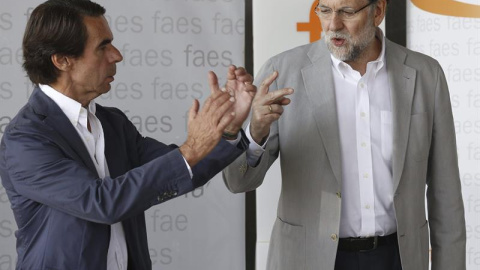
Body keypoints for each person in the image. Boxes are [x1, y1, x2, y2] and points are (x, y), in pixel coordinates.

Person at [0, 0, 256, 269]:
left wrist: (227, 127)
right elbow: (103, 203)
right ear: (62, 60)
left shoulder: (112, 122)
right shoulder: (26, 138)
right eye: (103, 46)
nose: (117, 55)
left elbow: (184, 168)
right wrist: (191, 149)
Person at [223, 0, 466, 269]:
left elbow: (446, 193)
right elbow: (238, 182)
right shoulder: (281, 73)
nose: (333, 25)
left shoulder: (426, 74)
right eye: (324, 10)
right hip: (309, 259)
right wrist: (254, 132)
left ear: (378, 11)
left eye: (347, 12)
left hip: (398, 258)